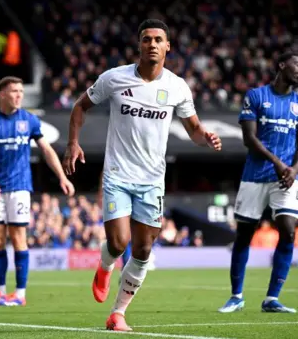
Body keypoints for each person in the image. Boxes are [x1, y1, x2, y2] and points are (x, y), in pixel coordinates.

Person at [63, 19, 222, 331]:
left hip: (152, 179)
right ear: (139, 45)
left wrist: (207, 137)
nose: (152, 44)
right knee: (119, 241)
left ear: (167, 46)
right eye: (146, 39)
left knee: (144, 250)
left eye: (158, 39)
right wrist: (72, 143)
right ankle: (106, 264)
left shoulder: (177, 87)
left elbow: (193, 129)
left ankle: (118, 313)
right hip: (118, 174)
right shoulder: (114, 78)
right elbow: (80, 107)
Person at [218, 52, 298, 314]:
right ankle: (236, 296)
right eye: (297, 64)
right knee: (244, 234)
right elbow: (250, 138)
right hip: (255, 176)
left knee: (289, 229)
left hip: (287, 178)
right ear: (282, 65)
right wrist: (278, 163)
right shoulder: (256, 96)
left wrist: (294, 168)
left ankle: (272, 298)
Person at [0, 76, 75, 307]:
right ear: (2, 94)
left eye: (21, 90)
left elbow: (46, 149)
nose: (19, 95)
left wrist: (62, 176)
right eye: (14, 91)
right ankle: (0, 292)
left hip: (20, 187)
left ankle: (19, 294)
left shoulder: (29, 120)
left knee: (19, 238)